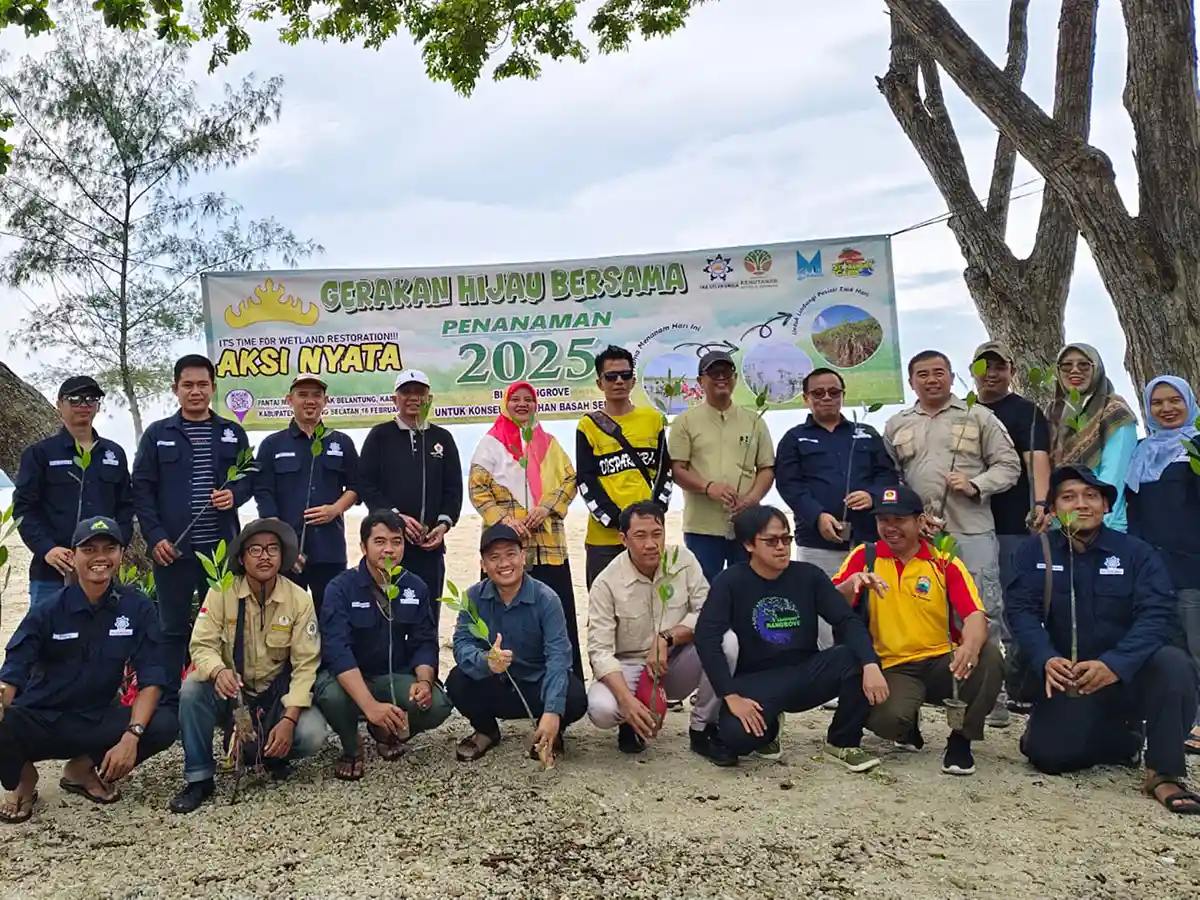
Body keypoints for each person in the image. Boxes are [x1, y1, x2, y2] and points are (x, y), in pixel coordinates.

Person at [1005, 465, 1200, 815]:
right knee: (1049, 757)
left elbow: (1157, 617)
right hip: (1069, 678)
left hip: (1129, 675)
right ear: (1051, 510)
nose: (1082, 504)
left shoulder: (1137, 554)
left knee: (1174, 663)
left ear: (1106, 506)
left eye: (1091, 496)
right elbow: (1021, 613)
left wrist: (1116, 664)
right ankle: (1121, 739)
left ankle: (1164, 772)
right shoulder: (1035, 552)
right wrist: (1046, 657)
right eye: (1069, 497)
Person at [0, 517, 178, 824]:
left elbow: (152, 676)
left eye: (110, 548)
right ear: (73, 555)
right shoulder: (48, 610)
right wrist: (3, 695)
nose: (100, 557)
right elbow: (16, 664)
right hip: (40, 719)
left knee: (163, 722)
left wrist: (131, 737)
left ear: (121, 554)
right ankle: (24, 779)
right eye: (89, 549)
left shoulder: (136, 608)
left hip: (95, 719)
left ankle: (81, 770)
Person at [884, 349, 1020, 728]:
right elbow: (891, 481)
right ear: (912, 381)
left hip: (971, 529)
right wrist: (910, 517)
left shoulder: (977, 416)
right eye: (923, 374)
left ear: (951, 376)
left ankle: (992, 696)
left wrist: (976, 484)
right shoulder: (896, 424)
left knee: (982, 609)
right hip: (919, 537)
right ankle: (942, 688)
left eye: (939, 372)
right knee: (925, 610)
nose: (932, 380)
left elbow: (1009, 466)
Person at [692, 505, 883, 771]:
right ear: (749, 544)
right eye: (771, 541)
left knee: (858, 657)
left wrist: (871, 664)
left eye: (786, 539)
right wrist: (731, 696)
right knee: (736, 739)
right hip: (757, 680)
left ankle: (843, 741)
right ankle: (769, 729)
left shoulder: (809, 576)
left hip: (805, 671)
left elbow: (846, 620)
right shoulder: (730, 581)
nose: (781, 547)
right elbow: (706, 637)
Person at [832, 486, 1004, 776]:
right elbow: (832, 603)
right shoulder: (865, 555)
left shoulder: (944, 561)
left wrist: (970, 646)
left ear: (919, 521)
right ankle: (906, 725)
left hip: (941, 661)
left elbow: (975, 614)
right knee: (886, 721)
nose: (890, 527)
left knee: (988, 655)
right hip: (892, 665)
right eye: (883, 519)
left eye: (899, 519)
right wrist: (853, 584)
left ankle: (962, 739)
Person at [168, 519, 327, 814]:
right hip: (233, 695)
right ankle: (200, 779)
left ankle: (268, 754)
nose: (264, 556)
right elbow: (201, 645)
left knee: (314, 732)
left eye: (272, 549)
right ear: (242, 557)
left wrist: (289, 721)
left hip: (274, 697)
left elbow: (306, 666)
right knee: (191, 688)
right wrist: (218, 671)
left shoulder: (300, 600)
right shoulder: (220, 592)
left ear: (282, 556)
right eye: (255, 549)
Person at [132, 354, 254, 694]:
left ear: (213, 388)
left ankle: (226, 696)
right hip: (173, 552)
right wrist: (155, 538)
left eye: (203, 384)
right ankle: (171, 699)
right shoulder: (158, 435)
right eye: (188, 385)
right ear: (176, 389)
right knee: (171, 629)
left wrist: (235, 494)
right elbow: (141, 489)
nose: (196, 391)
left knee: (225, 626)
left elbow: (249, 478)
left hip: (221, 553)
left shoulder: (232, 433)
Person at [315, 511, 453, 781]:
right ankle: (351, 746)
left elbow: (424, 641)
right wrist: (369, 706)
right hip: (349, 678)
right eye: (379, 541)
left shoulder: (415, 587)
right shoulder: (341, 588)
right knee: (331, 695)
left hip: (392, 676)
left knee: (437, 704)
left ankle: (384, 730)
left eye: (396, 541)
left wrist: (424, 682)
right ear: (363, 546)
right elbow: (337, 650)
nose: (388, 549)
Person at [587, 501, 732, 755]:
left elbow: (709, 614)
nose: (651, 544)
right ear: (623, 539)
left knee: (726, 642)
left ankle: (702, 728)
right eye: (640, 536)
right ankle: (631, 720)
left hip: (675, 661)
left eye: (657, 534)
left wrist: (666, 638)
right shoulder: (606, 583)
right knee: (601, 709)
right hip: (630, 668)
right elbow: (599, 651)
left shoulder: (683, 561)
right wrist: (626, 701)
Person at [775, 367, 897, 649]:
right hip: (818, 543)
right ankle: (831, 681)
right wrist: (817, 516)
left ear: (843, 395)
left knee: (874, 607)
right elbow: (789, 485)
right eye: (818, 393)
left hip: (868, 540)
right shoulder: (794, 438)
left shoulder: (866, 432)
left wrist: (872, 496)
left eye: (834, 392)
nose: (827, 398)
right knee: (822, 612)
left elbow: (888, 476)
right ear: (806, 398)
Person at [445, 523, 587, 764]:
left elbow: (558, 656)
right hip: (495, 684)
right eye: (494, 557)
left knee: (575, 695)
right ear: (483, 564)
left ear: (523, 557)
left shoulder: (547, 599)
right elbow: (461, 644)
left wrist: (552, 710)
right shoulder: (473, 598)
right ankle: (486, 731)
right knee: (457, 681)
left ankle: (552, 730)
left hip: (536, 685)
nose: (504, 564)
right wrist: (485, 661)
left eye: (511, 554)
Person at [470, 381, 582, 675]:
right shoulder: (490, 443)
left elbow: (571, 481)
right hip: (506, 545)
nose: (522, 405)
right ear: (505, 404)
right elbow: (477, 489)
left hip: (548, 545)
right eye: (515, 399)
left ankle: (562, 681)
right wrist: (505, 521)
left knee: (554, 613)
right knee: (502, 616)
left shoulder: (550, 443)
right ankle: (503, 681)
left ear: (536, 405)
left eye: (528, 400)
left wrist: (546, 507)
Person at [973, 340, 1052, 716]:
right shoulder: (962, 411)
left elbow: (1036, 460)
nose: (990, 373)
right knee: (976, 607)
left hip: (1011, 523)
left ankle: (1018, 685)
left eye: (998, 366)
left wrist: (1039, 504)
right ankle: (984, 685)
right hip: (967, 522)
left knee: (1013, 604)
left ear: (1012, 370)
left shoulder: (1026, 411)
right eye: (983, 366)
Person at [1124, 376, 1200, 753]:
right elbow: (1132, 508)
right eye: (1157, 403)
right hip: (1151, 569)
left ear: (1189, 402)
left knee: (1196, 644)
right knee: (1165, 647)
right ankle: (1173, 720)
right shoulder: (1141, 451)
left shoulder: (1196, 449)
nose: (1167, 409)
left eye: (1175, 401)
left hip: (1191, 567)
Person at [13, 375, 134, 608]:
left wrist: (116, 548)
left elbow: (126, 507)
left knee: (101, 638)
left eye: (91, 399)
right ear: (59, 404)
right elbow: (24, 511)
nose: (84, 405)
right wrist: (47, 549)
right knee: (46, 639)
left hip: (101, 570)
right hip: (52, 572)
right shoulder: (40, 454)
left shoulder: (114, 454)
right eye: (75, 399)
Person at [358, 369, 462, 621]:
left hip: (430, 546)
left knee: (427, 615)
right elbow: (366, 484)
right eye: (406, 392)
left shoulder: (442, 438)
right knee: (389, 613)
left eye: (420, 392)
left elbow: (454, 488)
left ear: (430, 398)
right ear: (395, 399)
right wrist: (396, 519)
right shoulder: (380, 435)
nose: (413, 398)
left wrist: (443, 525)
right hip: (391, 545)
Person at [255, 374, 360, 612]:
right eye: (302, 395)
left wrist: (335, 509)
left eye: (316, 395)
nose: (310, 401)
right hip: (288, 554)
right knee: (285, 618)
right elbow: (263, 492)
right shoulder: (272, 445)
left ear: (326, 401)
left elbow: (356, 487)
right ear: (289, 400)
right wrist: (282, 544)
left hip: (330, 550)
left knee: (331, 616)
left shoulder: (342, 442)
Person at [669, 350, 775, 583]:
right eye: (713, 373)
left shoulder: (754, 420)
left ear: (735, 378)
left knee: (749, 587)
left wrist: (752, 499)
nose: (721, 377)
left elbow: (767, 468)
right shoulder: (684, 422)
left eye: (726, 372)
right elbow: (677, 470)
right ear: (700, 381)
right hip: (702, 528)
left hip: (746, 524)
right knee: (705, 592)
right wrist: (708, 487)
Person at [576, 345, 673, 588]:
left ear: (633, 381)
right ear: (600, 383)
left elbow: (665, 473)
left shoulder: (653, 420)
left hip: (648, 536)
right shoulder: (588, 426)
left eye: (625, 375)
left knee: (653, 605)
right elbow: (586, 481)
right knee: (604, 610)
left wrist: (651, 518)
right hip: (604, 537)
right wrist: (620, 522)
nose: (619, 381)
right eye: (611, 376)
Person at [1047, 343, 1137, 531]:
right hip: (1061, 526)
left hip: (1104, 523)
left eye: (1084, 365)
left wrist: (1100, 524)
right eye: (1066, 366)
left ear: (1096, 369)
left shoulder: (1114, 412)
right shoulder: (1053, 413)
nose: (1075, 371)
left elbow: (1114, 477)